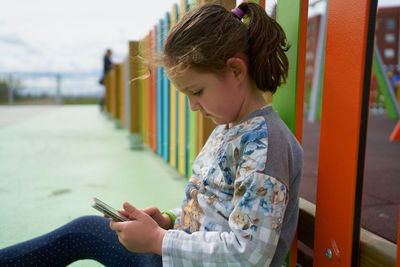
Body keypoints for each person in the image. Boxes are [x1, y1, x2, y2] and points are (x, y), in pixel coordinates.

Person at [0, 2, 303, 266]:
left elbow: (247, 256)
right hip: (178, 257)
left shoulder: (265, 146)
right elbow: (213, 210)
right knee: (83, 232)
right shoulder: (230, 127)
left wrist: (158, 239)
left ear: (236, 71)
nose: (192, 105)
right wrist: (167, 221)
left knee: (81, 233)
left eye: (196, 91)